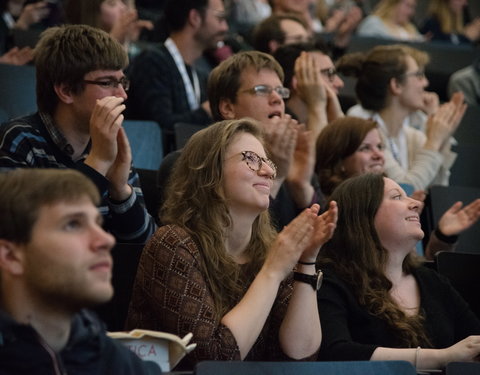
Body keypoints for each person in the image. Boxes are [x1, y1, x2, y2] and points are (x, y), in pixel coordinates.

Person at [126, 118, 338, 369]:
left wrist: (306, 261)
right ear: (210, 171)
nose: (269, 171)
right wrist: (272, 271)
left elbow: (300, 357)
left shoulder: (273, 251)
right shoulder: (173, 244)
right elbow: (215, 361)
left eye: (268, 162)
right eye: (251, 158)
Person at [0, 24, 156, 244]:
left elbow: (146, 245)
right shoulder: (19, 139)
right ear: (66, 91)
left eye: (122, 82)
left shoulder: (107, 144)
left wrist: (120, 190)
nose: (122, 95)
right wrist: (98, 163)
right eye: (107, 82)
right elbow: (22, 235)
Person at [0, 168, 161, 374]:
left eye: (98, 223)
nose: (106, 240)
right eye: (73, 224)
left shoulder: (115, 361)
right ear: (10, 256)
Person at [316, 173, 480, 370]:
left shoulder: (433, 281)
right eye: (397, 197)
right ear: (362, 214)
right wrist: (444, 357)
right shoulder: (329, 279)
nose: (416, 204)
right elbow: (334, 353)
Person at [314, 116, 480, 260]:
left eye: (380, 147)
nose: (378, 155)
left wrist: (443, 237)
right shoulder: (330, 211)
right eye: (365, 148)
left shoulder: (395, 199)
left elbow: (416, 269)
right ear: (340, 160)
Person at [338, 44, 466, 190]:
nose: (425, 82)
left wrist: (443, 138)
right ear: (396, 85)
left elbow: (437, 190)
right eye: (418, 75)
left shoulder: (413, 137)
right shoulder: (368, 135)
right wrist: (434, 142)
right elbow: (404, 190)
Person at [125, 0, 228, 151]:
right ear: (195, 18)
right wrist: (207, 111)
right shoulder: (152, 62)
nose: (225, 27)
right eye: (220, 17)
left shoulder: (200, 74)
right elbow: (160, 127)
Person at [273, 41, 344, 135]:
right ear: (298, 81)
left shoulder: (344, 106)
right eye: (329, 73)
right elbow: (318, 149)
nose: (340, 83)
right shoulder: (280, 131)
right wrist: (317, 105)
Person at [64, 0, 154, 56]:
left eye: (122, 1)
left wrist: (127, 40)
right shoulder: (74, 48)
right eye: (112, 3)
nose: (123, 7)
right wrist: (114, 41)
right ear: (93, 13)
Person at [356, 0, 424, 41]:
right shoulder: (373, 22)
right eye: (408, 6)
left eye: (413, 7)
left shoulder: (410, 28)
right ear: (393, 4)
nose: (411, 12)